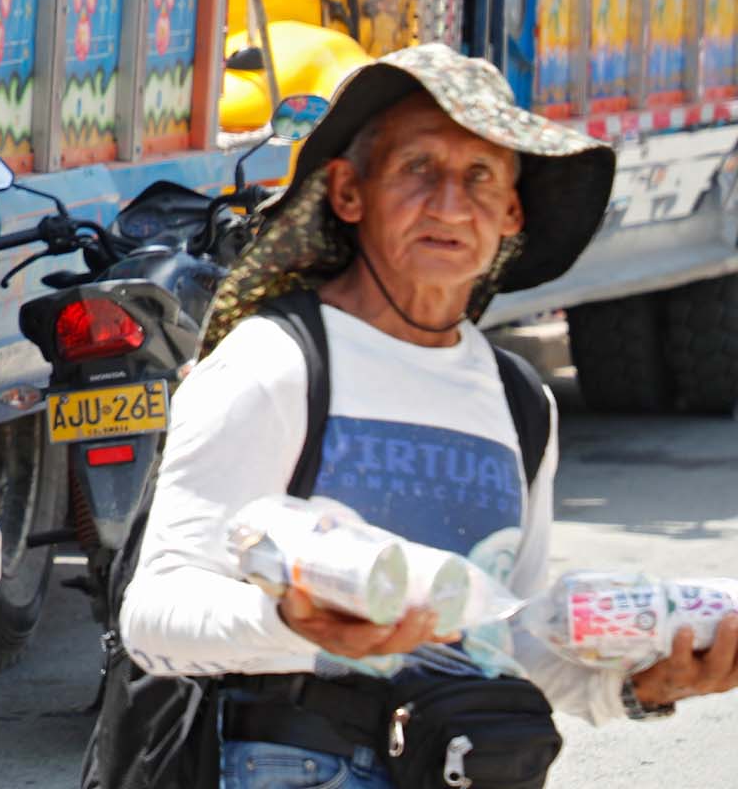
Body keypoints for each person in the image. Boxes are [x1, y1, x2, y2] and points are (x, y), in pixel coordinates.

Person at [120, 46, 738, 789]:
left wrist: (638, 689)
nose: (450, 205)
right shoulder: (276, 363)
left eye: (480, 177)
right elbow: (153, 617)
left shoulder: (518, 398)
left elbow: (503, 643)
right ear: (349, 192)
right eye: (418, 169)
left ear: (512, 213)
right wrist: (296, 629)